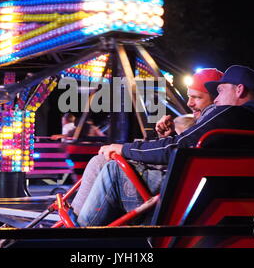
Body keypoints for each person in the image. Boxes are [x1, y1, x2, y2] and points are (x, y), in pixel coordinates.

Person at [77, 65, 254, 226]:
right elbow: (187, 145)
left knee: (112, 168)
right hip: (218, 199)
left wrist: (124, 149)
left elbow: (179, 147)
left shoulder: (230, 114)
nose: (217, 99)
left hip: (184, 203)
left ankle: (75, 236)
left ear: (239, 89)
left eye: (219, 91)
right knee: (107, 164)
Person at [70, 68, 223, 216]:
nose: (189, 103)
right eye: (189, 96)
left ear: (216, 97)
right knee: (102, 162)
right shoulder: (208, 122)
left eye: (197, 97)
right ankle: (75, 220)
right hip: (178, 184)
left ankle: (75, 227)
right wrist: (166, 138)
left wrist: (123, 149)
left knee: (104, 165)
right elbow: (178, 148)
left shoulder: (212, 121)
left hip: (175, 191)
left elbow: (174, 150)